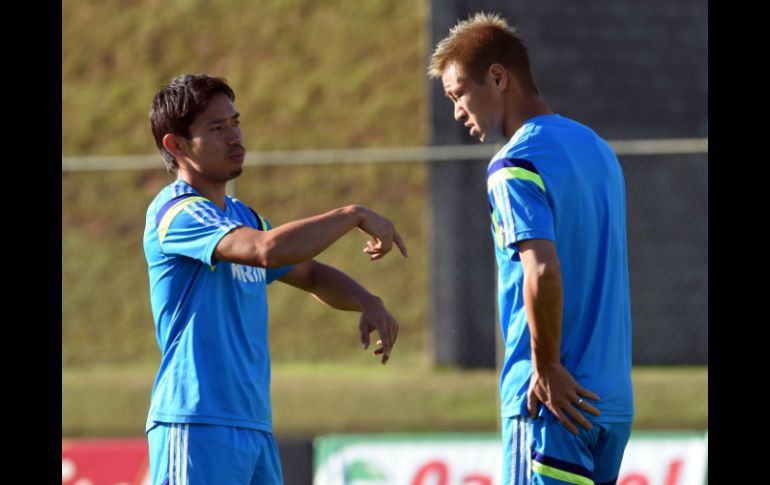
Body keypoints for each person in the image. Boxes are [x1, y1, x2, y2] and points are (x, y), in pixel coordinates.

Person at [143, 73, 407, 484]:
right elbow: (267, 250)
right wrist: (352, 214)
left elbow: (310, 273)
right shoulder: (177, 212)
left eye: (235, 121)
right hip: (197, 424)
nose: (235, 136)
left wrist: (366, 299)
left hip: (254, 428)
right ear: (175, 145)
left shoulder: (242, 216)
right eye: (216, 128)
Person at [429, 13, 633, 485]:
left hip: (551, 403)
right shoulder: (598, 149)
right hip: (611, 403)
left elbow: (541, 270)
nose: (457, 111)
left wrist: (545, 368)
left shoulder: (514, 164)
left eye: (458, 94)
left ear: (498, 77)